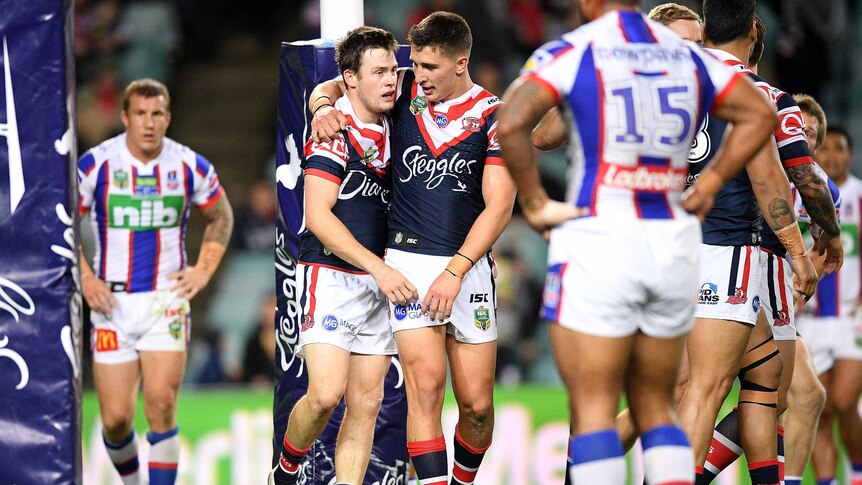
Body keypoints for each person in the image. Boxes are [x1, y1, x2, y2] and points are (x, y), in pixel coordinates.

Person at [497, 1, 778, 484]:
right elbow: (759, 114)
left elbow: (511, 124)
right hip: (673, 240)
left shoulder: (576, 48)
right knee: (658, 404)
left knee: (594, 408)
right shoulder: (688, 55)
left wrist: (537, 201)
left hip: (601, 236)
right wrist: (708, 187)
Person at [310, 12, 517, 485]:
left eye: (429, 67)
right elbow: (332, 87)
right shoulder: (402, 90)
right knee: (425, 390)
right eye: (415, 64)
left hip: (466, 269)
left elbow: (500, 205)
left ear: (460, 63)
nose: (417, 76)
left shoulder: (493, 115)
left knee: (478, 408)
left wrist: (458, 269)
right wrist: (322, 106)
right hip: (407, 265)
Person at [268, 26, 417, 485]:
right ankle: (287, 466)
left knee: (367, 404)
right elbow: (317, 216)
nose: (391, 80)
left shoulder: (397, 116)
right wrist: (322, 106)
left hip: (379, 283)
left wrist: (321, 96)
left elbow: (329, 85)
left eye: (393, 70)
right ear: (351, 79)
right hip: (331, 276)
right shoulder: (335, 131)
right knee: (325, 394)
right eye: (378, 73)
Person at [696, 16, 841, 484]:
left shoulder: (674, 87)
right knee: (707, 390)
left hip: (668, 249)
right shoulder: (763, 98)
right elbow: (790, 179)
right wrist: (816, 244)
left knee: (766, 383)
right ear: (757, 37)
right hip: (741, 256)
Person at [78, 78, 234, 485]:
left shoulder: (190, 166)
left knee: (162, 404)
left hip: (166, 302)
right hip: (110, 304)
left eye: (157, 114)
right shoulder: (96, 164)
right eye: (141, 114)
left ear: (168, 118)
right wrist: (85, 276)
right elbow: (62, 223)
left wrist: (203, 270)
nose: (149, 123)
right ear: (125, 118)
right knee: (114, 420)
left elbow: (221, 216)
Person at [797, 125, 862, 485]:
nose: (833, 156)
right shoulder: (801, 196)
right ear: (817, 155)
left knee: (842, 401)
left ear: (850, 155)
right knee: (817, 409)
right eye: (827, 150)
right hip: (811, 316)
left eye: (841, 148)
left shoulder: (860, 196)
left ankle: (856, 470)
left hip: (853, 318)